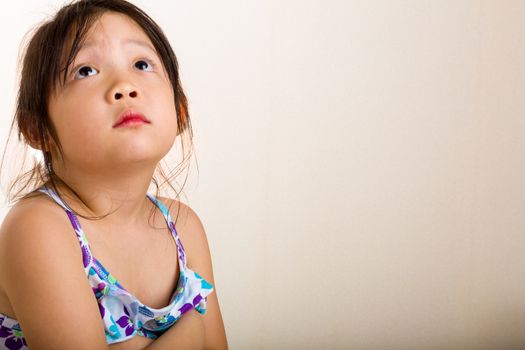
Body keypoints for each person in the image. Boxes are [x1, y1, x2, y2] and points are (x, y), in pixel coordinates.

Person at [0, 0, 227, 349]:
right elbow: (202, 336)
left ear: (179, 110)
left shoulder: (184, 226)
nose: (125, 86)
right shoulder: (38, 227)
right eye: (85, 71)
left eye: (141, 64)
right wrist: (191, 331)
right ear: (37, 129)